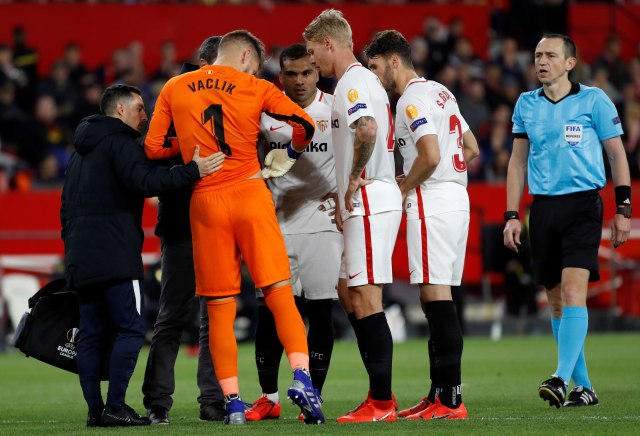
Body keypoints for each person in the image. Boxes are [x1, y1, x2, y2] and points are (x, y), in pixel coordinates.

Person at [144, 30, 325, 426]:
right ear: (245, 56)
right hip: (249, 191)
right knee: (278, 292)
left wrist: (190, 148)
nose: (255, 71)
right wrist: (290, 153)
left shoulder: (175, 86)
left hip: (206, 201)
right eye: (255, 65)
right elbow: (305, 124)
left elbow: (153, 148)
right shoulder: (255, 87)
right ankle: (301, 376)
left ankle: (232, 404)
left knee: (219, 308)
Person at [60, 84, 223, 427]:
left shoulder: (79, 153)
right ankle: (115, 405)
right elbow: (145, 182)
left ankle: (96, 410)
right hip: (115, 255)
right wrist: (193, 170)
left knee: (91, 333)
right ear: (120, 109)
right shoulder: (120, 143)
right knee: (131, 329)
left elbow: (65, 207)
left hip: (80, 253)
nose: (145, 116)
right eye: (139, 108)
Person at [503, 34, 632, 408]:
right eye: (537, 55)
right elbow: (517, 163)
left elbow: (617, 155)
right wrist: (512, 215)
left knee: (575, 292)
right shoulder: (526, 104)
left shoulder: (594, 100)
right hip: (542, 209)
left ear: (570, 63)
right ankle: (584, 387)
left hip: (582, 206)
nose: (541, 62)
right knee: (557, 301)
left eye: (550, 55)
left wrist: (623, 209)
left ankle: (560, 378)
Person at [366, 29, 479, 420]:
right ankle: (438, 394)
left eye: (375, 67)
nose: (374, 75)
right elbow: (471, 147)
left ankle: (451, 400)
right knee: (435, 299)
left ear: (394, 61)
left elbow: (429, 156)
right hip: (457, 199)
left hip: (432, 200)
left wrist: (404, 185)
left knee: (436, 299)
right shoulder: (440, 92)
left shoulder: (411, 100)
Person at [304, 10, 402, 423]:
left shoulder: (351, 83)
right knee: (349, 292)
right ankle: (378, 395)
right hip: (367, 198)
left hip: (369, 198)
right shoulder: (361, 81)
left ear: (329, 43)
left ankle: (382, 403)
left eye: (313, 52)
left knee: (365, 298)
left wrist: (353, 177)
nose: (312, 62)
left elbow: (366, 129)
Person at [245, 43, 341, 421]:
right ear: (280, 76)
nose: (299, 81)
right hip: (277, 222)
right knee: (269, 311)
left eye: (306, 73)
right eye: (291, 74)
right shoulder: (265, 112)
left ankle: (314, 395)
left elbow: (360, 150)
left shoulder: (334, 108)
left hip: (322, 221)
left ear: (317, 73)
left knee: (320, 310)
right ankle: (268, 397)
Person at [142, 36, 226, 425]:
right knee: (178, 314)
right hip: (185, 223)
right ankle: (162, 401)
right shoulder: (176, 96)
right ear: (208, 63)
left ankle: (209, 400)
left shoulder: (225, 97)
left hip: (214, 222)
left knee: (211, 316)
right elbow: (153, 154)